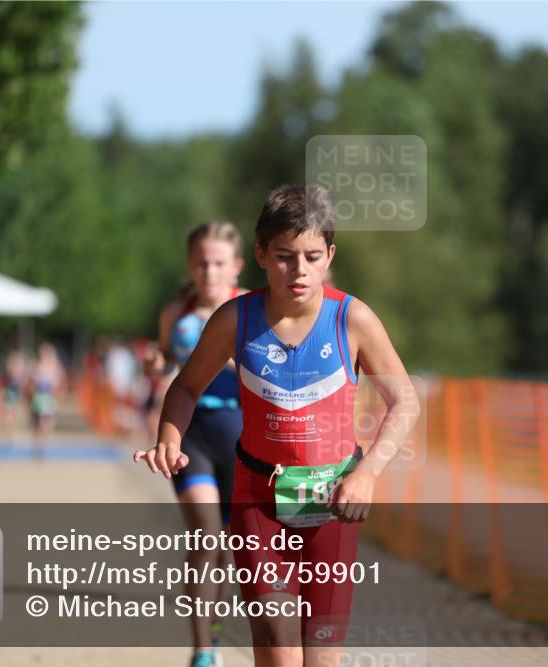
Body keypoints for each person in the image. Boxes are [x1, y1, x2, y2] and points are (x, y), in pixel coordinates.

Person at [134, 185, 419, 666]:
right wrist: (169, 437)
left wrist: (367, 473)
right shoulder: (233, 319)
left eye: (311, 256)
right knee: (278, 648)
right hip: (259, 502)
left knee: (323, 654)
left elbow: (405, 401)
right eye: (285, 256)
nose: (299, 270)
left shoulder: (353, 319)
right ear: (262, 254)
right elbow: (184, 388)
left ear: (329, 255)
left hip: (332, 504)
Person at [143, 221, 247, 667]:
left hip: (244, 436)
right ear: (191, 265)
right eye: (202, 262)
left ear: (237, 266)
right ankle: (202, 650)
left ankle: (217, 635)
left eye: (219, 262)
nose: (209, 271)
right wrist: (158, 360)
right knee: (206, 537)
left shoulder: (251, 309)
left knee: (231, 548)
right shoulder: (175, 314)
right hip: (190, 435)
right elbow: (167, 355)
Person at [27, 342, 65, 458]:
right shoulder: (36, 365)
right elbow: (31, 383)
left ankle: (42, 447)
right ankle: (38, 446)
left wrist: (58, 396)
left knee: (46, 424)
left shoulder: (55, 367)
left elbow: (61, 383)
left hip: (49, 398)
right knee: (38, 424)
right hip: (39, 397)